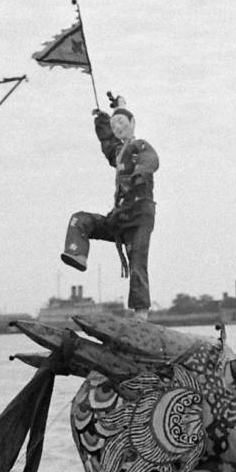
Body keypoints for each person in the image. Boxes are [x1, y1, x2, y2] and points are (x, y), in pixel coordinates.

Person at [61, 95, 160, 319]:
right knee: (80, 219)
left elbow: (151, 159)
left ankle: (141, 316)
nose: (117, 128)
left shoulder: (140, 146)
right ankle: (77, 254)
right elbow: (108, 143)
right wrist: (102, 120)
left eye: (121, 123)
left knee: (137, 263)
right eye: (114, 126)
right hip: (120, 217)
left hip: (140, 216)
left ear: (132, 123)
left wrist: (139, 173)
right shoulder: (119, 152)